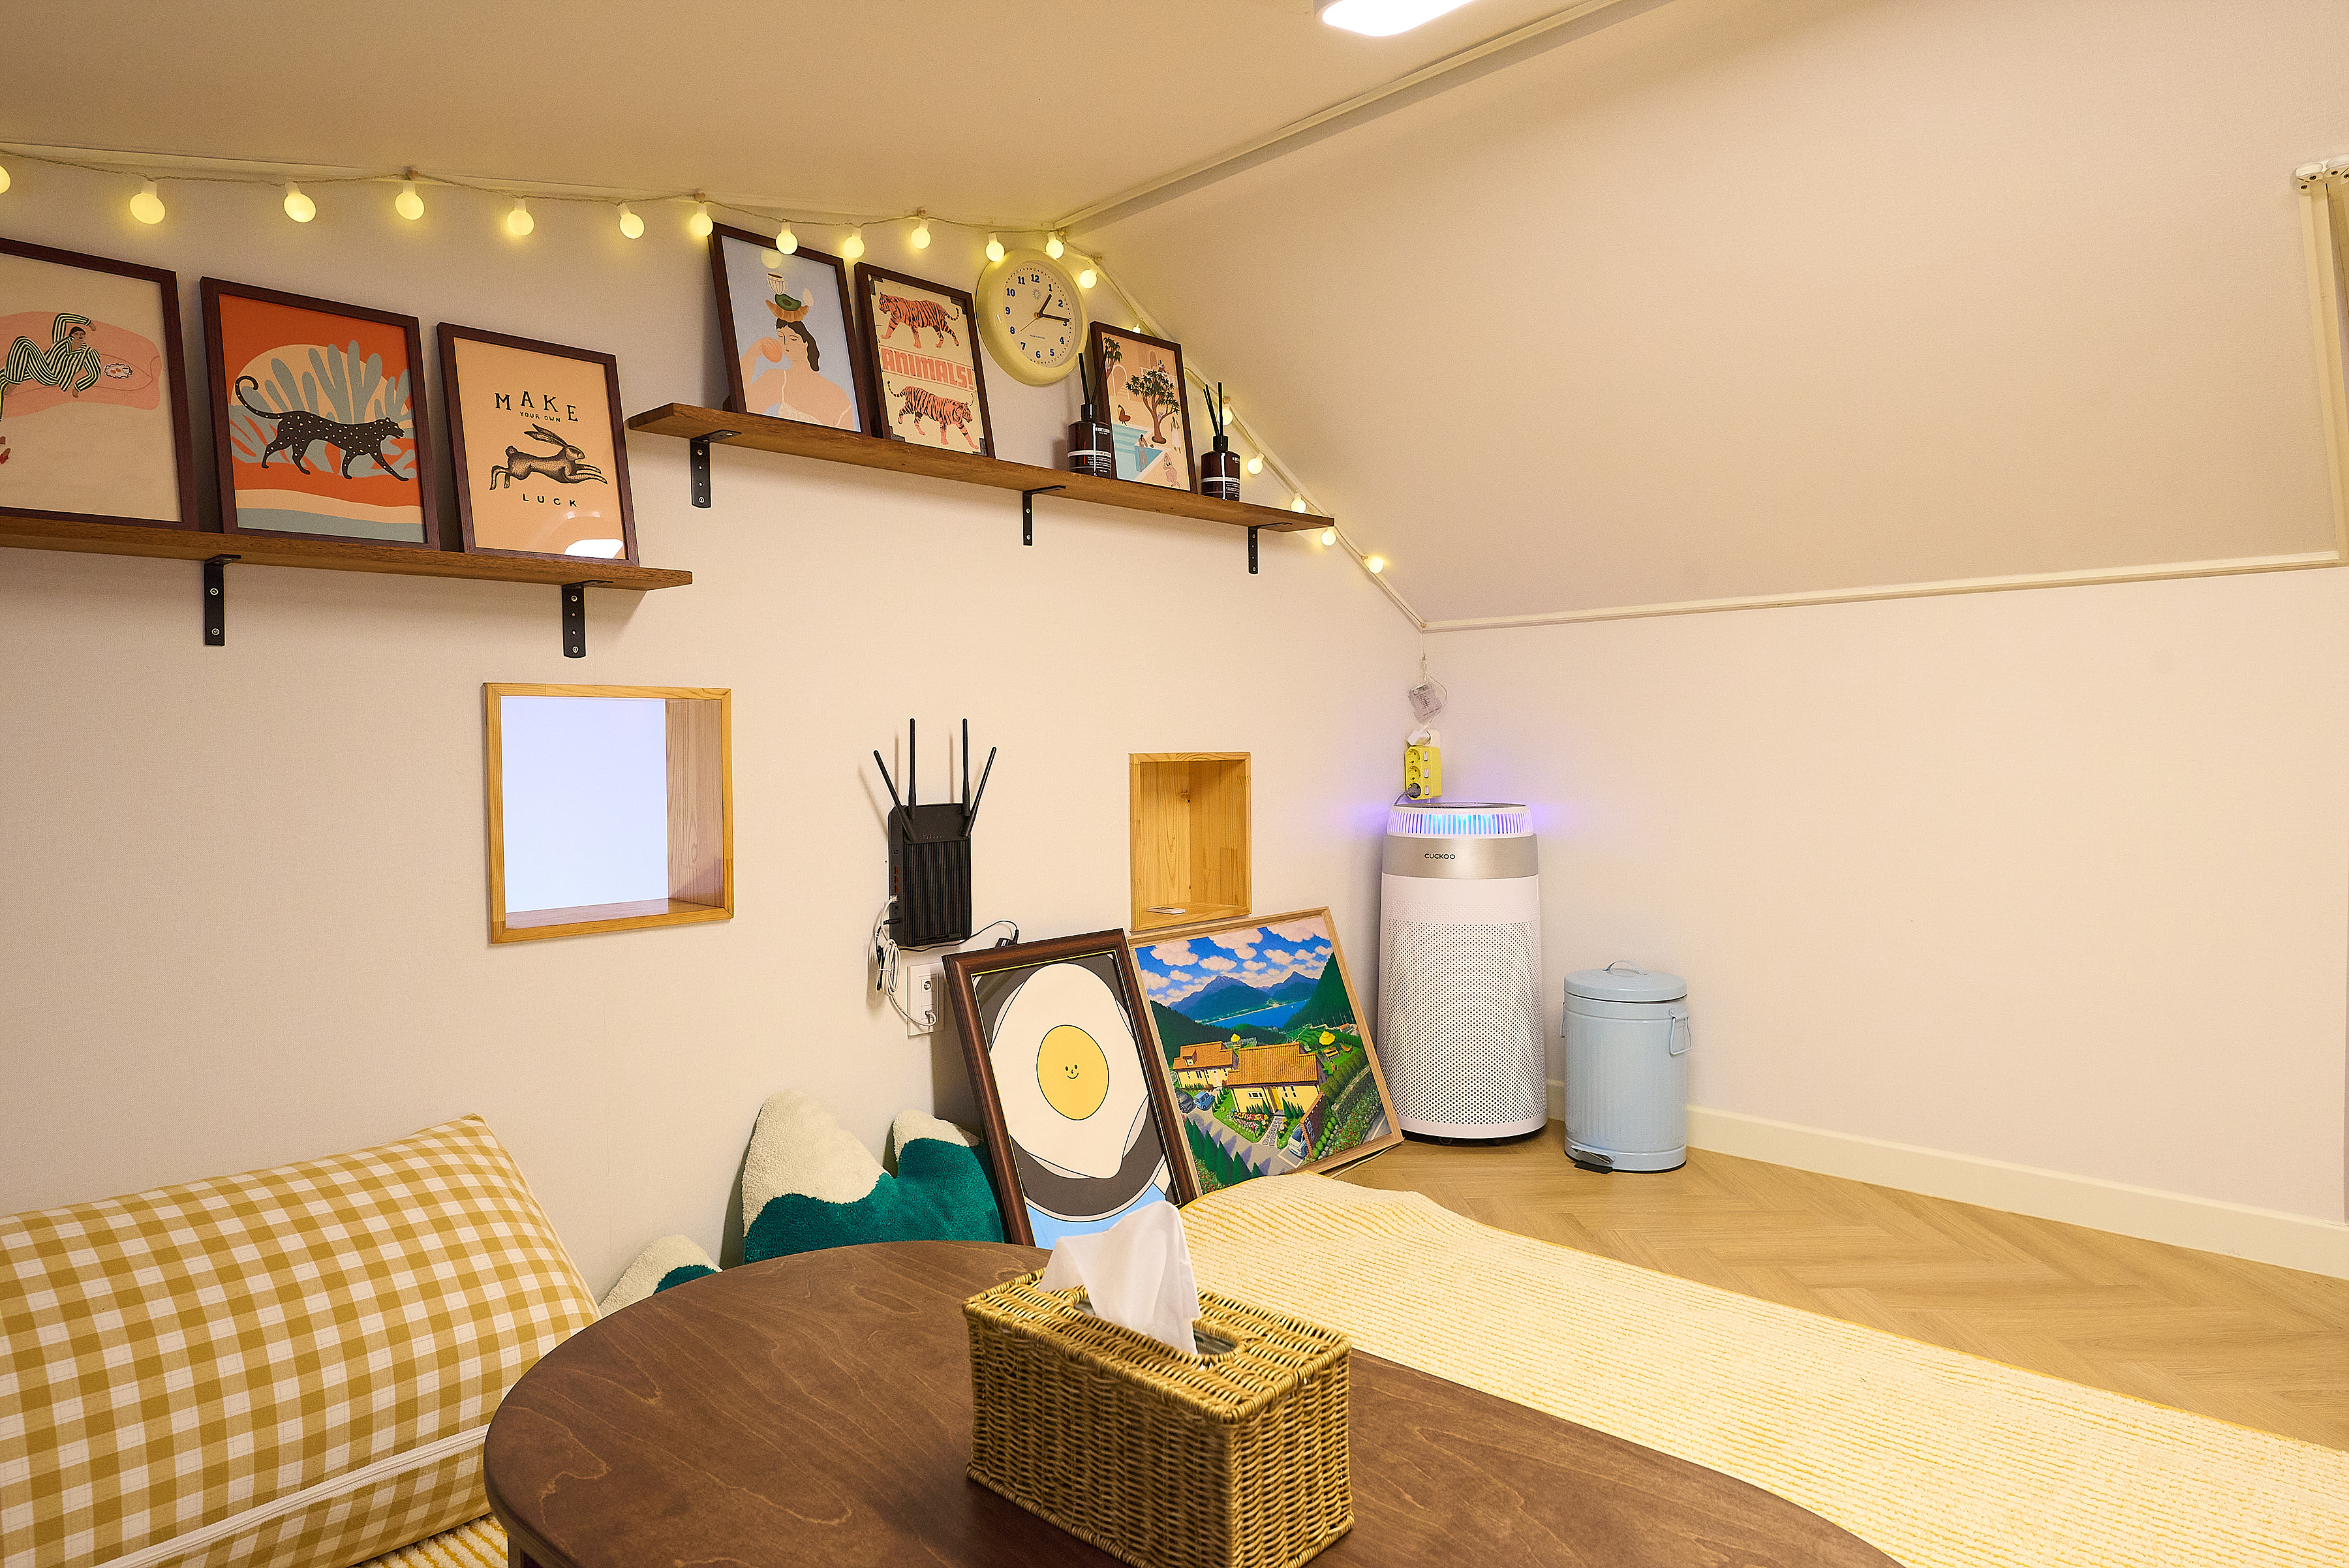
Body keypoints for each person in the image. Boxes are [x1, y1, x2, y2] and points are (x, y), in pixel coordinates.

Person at [741, 279, 855, 429]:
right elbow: (743, 407)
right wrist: (754, 351)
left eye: (793, 338)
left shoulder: (838, 396)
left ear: (807, 342)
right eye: (781, 337)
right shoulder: (778, 380)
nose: (786, 344)